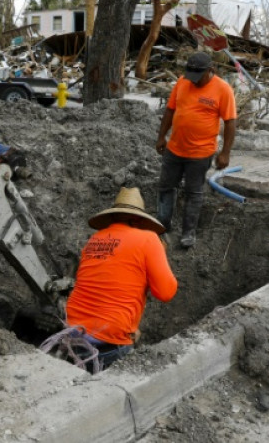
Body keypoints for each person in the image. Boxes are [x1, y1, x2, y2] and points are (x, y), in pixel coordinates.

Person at [41, 187, 177, 373]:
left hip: (72, 331)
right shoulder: (149, 239)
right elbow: (166, 292)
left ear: (113, 218)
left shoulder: (95, 240)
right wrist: (160, 253)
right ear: (139, 220)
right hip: (109, 342)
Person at [155, 52, 237, 249]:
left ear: (211, 71)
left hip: (200, 152)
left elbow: (230, 122)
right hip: (174, 148)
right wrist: (161, 136)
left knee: (194, 192)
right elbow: (170, 110)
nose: (194, 80)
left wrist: (225, 152)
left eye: (198, 76)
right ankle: (162, 224)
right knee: (166, 186)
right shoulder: (182, 82)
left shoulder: (223, 89)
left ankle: (188, 233)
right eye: (191, 74)